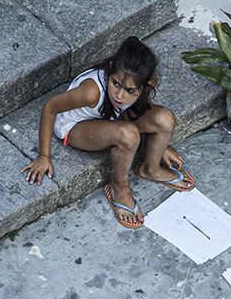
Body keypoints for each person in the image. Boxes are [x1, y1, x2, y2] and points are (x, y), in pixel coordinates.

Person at [21, 36, 194, 229]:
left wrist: (160, 146)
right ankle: (119, 187)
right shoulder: (91, 92)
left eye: (130, 91)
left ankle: (150, 169)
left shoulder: (145, 83)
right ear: (110, 68)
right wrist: (43, 156)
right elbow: (50, 108)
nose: (120, 95)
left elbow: (143, 108)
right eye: (116, 84)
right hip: (77, 125)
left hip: (113, 119)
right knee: (128, 135)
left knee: (165, 119)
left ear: (144, 85)